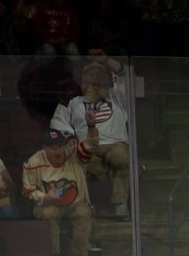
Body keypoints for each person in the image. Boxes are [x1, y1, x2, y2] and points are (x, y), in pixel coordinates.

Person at [49, 54, 131, 218]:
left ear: (106, 82)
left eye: (98, 77)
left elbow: (125, 74)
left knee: (121, 157)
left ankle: (120, 205)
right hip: (87, 147)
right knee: (77, 160)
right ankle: (85, 209)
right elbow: (58, 126)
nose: (94, 81)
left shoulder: (117, 97)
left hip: (115, 145)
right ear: (82, 82)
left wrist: (105, 59)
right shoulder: (72, 103)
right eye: (90, 76)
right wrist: (71, 142)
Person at [21, 128, 93, 256]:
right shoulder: (33, 162)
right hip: (47, 204)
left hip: (75, 203)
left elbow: (91, 145)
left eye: (60, 146)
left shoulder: (73, 154)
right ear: (44, 148)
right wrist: (44, 197)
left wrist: (91, 126)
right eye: (53, 148)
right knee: (49, 214)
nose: (58, 151)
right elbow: (27, 191)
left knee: (83, 212)